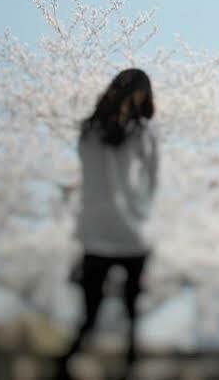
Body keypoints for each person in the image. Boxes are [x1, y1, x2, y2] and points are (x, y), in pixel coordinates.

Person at [58, 68, 159, 377]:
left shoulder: (87, 130)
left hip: (95, 228)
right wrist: (139, 210)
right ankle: (130, 368)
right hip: (130, 231)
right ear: (142, 95)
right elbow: (151, 180)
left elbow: (88, 174)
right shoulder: (143, 132)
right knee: (132, 311)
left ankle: (64, 364)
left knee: (89, 314)